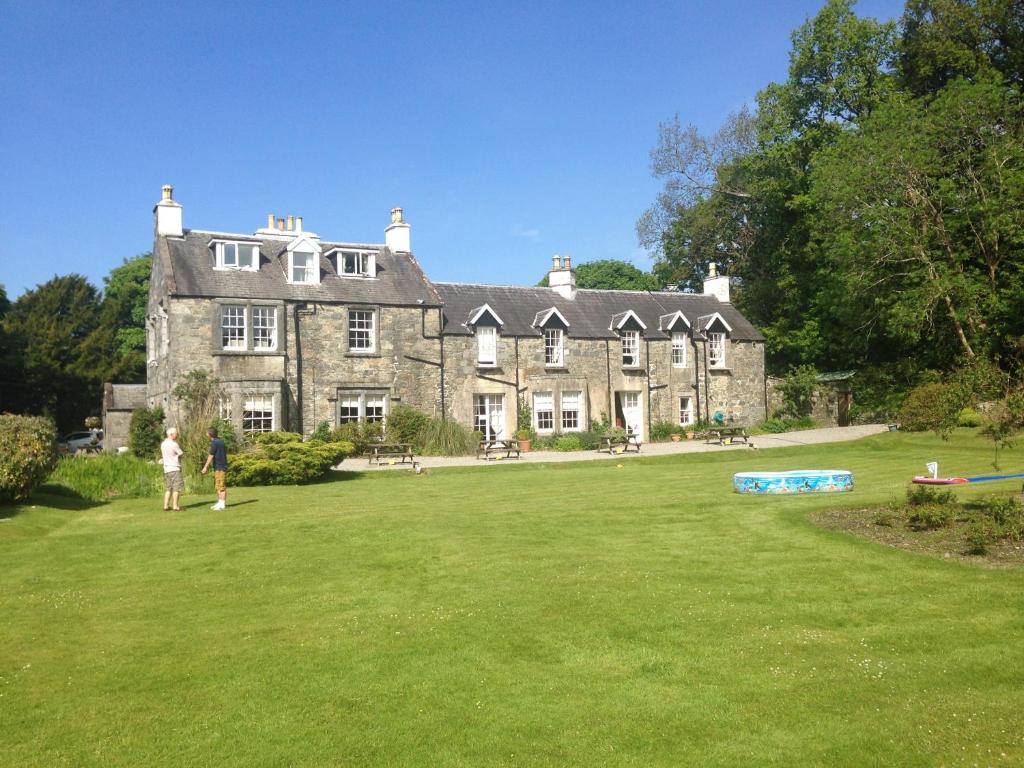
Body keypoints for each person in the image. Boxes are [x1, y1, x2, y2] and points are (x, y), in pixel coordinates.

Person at [201, 426, 229, 510]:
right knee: (218, 485)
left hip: (220, 467)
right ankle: (220, 502)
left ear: (210, 434)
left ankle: (222, 504)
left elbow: (211, 455)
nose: (206, 434)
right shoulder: (220, 441)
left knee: (221, 485)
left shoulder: (215, 443)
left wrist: (205, 467)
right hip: (218, 466)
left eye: (207, 433)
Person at [160, 427, 184, 511]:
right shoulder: (174, 444)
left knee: (168, 488)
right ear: (171, 434)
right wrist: (178, 457)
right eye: (175, 434)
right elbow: (181, 453)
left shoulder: (163, 444)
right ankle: (175, 506)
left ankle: (166, 506)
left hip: (166, 469)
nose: (177, 435)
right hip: (174, 468)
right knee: (176, 488)